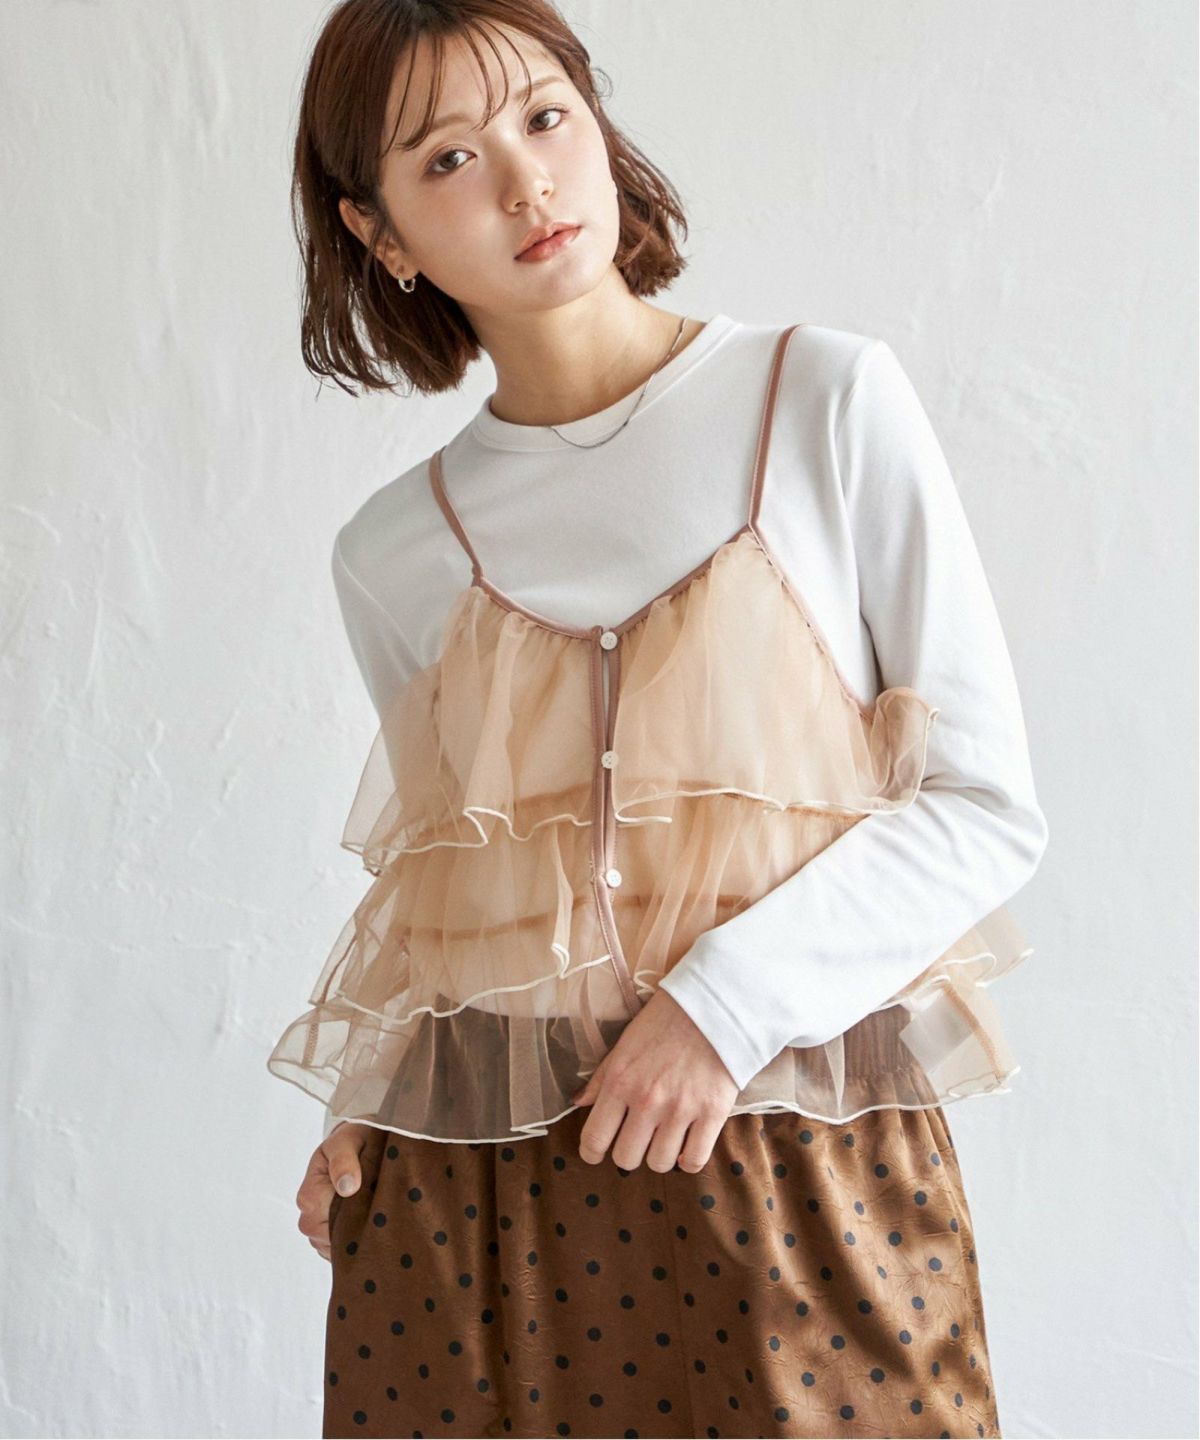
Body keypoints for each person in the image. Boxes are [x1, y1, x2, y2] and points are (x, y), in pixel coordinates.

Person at [267, 2, 1049, 1435]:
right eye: (447, 159)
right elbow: (460, 911)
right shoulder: (394, 553)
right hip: (481, 1212)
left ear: (598, 122)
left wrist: (721, 1007)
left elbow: (983, 808)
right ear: (380, 235)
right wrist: (369, 1107)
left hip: (796, 1175)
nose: (524, 182)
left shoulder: (823, 401)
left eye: (545, 117)